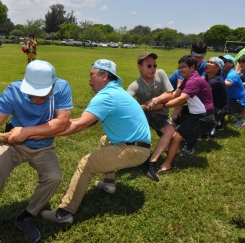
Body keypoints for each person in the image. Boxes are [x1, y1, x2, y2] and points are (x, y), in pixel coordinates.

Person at [40, 59, 151, 224]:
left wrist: (43, 133)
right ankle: (109, 182)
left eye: (91, 74)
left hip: (133, 150)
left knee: (87, 164)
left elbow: (80, 124)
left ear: (104, 75)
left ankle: (64, 213)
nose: (89, 79)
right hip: (141, 147)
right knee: (105, 139)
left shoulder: (106, 96)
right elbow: (88, 122)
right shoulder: (116, 92)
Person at [0, 60, 73, 242]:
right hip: (13, 144)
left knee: (53, 177)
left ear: (54, 84)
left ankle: (26, 217)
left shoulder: (62, 88)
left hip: (43, 146)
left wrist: (26, 132)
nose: (37, 97)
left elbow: (62, 121)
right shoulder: (13, 91)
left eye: (42, 91)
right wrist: (18, 135)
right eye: (32, 90)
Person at [148, 55, 215, 173]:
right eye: (179, 67)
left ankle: (167, 164)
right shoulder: (187, 79)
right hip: (195, 116)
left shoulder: (194, 81)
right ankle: (169, 148)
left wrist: (162, 106)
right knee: (172, 121)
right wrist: (156, 99)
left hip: (204, 119)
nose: (180, 70)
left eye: (184, 67)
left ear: (192, 67)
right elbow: (174, 95)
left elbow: (181, 100)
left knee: (176, 136)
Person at [127, 51, 174, 182]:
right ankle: (140, 158)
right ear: (139, 66)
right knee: (137, 135)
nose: (152, 69)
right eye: (148, 66)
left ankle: (152, 163)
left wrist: (155, 100)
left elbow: (170, 94)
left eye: (154, 65)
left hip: (160, 115)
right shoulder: (136, 84)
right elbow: (126, 98)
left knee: (170, 130)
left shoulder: (161, 73)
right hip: (143, 116)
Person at [202, 57, 227, 138]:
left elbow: (201, 92)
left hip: (218, 110)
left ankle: (211, 129)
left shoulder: (216, 80)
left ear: (217, 68)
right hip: (211, 106)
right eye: (208, 62)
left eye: (211, 63)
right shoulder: (207, 77)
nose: (207, 63)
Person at [219, 54, 245, 127]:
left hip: (238, 102)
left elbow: (226, 84)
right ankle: (218, 122)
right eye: (221, 61)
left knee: (216, 106)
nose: (222, 63)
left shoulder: (232, 74)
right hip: (231, 100)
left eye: (224, 61)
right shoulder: (222, 73)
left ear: (231, 63)